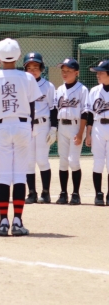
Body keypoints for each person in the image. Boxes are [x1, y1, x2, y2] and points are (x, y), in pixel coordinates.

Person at [0, 38, 42, 236]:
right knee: (20, 175)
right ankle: (17, 221)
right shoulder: (28, 78)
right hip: (23, 125)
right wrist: (30, 127)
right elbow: (32, 105)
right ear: (18, 56)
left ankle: (3, 222)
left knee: (3, 175)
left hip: (1, 125)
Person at [54, 58, 89, 205]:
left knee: (73, 161)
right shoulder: (59, 89)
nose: (65, 73)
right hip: (62, 126)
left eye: (68, 71)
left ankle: (75, 194)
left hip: (76, 127)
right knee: (63, 161)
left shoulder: (82, 89)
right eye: (63, 70)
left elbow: (85, 113)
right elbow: (55, 110)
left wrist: (81, 133)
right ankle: (63, 193)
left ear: (76, 73)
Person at [23, 52, 57, 204]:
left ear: (41, 68)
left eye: (35, 67)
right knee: (29, 162)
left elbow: (53, 109)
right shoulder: (22, 85)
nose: (32, 70)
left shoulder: (48, 86)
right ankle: (32, 193)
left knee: (42, 160)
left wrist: (54, 128)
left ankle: (46, 192)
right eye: (29, 68)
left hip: (43, 125)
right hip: (27, 126)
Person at [86, 60, 109, 206]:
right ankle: (98, 194)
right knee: (98, 162)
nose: (98, 75)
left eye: (101, 72)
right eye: (97, 72)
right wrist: (88, 134)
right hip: (98, 126)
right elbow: (89, 114)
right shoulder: (94, 90)